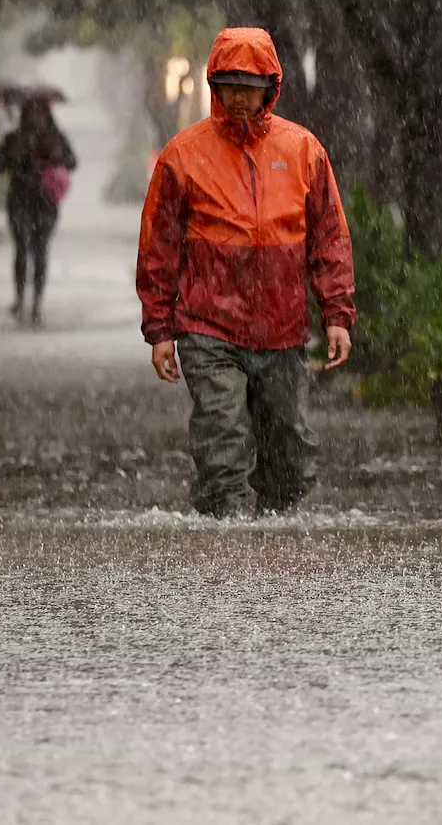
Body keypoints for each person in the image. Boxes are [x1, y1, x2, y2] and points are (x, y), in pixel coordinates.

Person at [136, 27, 355, 518]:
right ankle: (226, 532)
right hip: (207, 326)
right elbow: (159, 247)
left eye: (249, 85)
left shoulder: (304, 152)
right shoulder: (182, 156)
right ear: (214, 85)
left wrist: (336, 313)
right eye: (229, 84)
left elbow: (328, 238)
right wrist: (160, 331)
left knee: (290, 452)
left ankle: (274, 526)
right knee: (221, 439)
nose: (238, 96)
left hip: (282, 329)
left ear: (270, 87)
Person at [0, 98, 76, 325]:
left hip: (45, 203)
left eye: (39, 112)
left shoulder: (55, 138)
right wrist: (14, 154)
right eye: (30, 112)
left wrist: (57, 155)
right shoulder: (13, 138)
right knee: (22, 247)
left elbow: (72, 162)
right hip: (20, 200)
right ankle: (20, 299)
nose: (35, 117)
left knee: (40, 251)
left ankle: (37, 303)